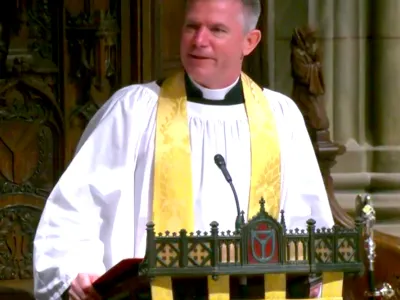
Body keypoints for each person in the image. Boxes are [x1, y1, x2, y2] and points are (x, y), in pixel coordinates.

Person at [33, 0, 334, 299]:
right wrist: (73, 270)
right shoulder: (135, 110)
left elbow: (308, 225)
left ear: (249, 42)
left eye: (216, 30)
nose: (199, 40)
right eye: (192, 26)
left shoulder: (280, 116)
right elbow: (75, 208)